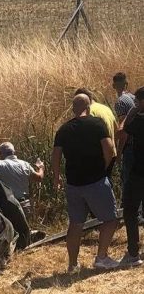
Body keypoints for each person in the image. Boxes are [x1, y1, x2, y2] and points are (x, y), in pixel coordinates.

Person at [52, 94, 118, 272]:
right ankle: (101, 257)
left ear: (73, 109)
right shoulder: (97, 124)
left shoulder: (64, 130)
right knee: (110, 220)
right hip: (95, 180)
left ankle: (73, 264)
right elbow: (109, 149)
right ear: (89, 107)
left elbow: (56, 155)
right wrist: (103, 168)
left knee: (76, 223)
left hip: (73, 184)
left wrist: (57, 177)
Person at [0, 142, 45, 215]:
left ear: (1, 154)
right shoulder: (25, 164)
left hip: (10, 206)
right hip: (25, 205)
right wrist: (41, 167)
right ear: (14, 152)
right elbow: (39, 178)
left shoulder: (1, 164)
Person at [119, 87, 144, 267]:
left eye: (137, 101)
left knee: (130, 210)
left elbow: (124, 130)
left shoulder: (139, 120)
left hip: (139, 173)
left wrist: (132, 112)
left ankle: (133, 253)